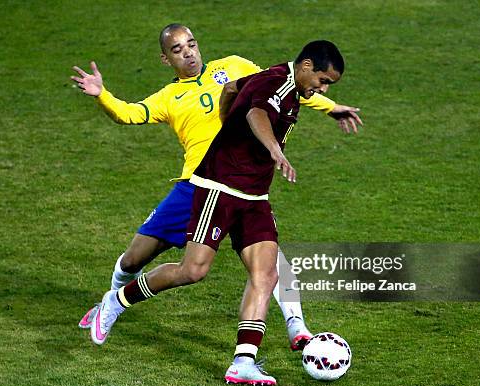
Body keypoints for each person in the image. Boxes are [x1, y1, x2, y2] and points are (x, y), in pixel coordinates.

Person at [71, 24, 362, 350]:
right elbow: (129, 114)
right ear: (166, 59)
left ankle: (297, 326)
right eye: (177, 50)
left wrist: (331, 107)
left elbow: (280, 87)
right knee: (134, 260)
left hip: (241, 182)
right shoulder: (169, 98)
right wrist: (103, 96)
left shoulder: (234, 65)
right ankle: (109, 304)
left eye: (191, 44)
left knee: (266, 258)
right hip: (196, 185)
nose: (188, 53)